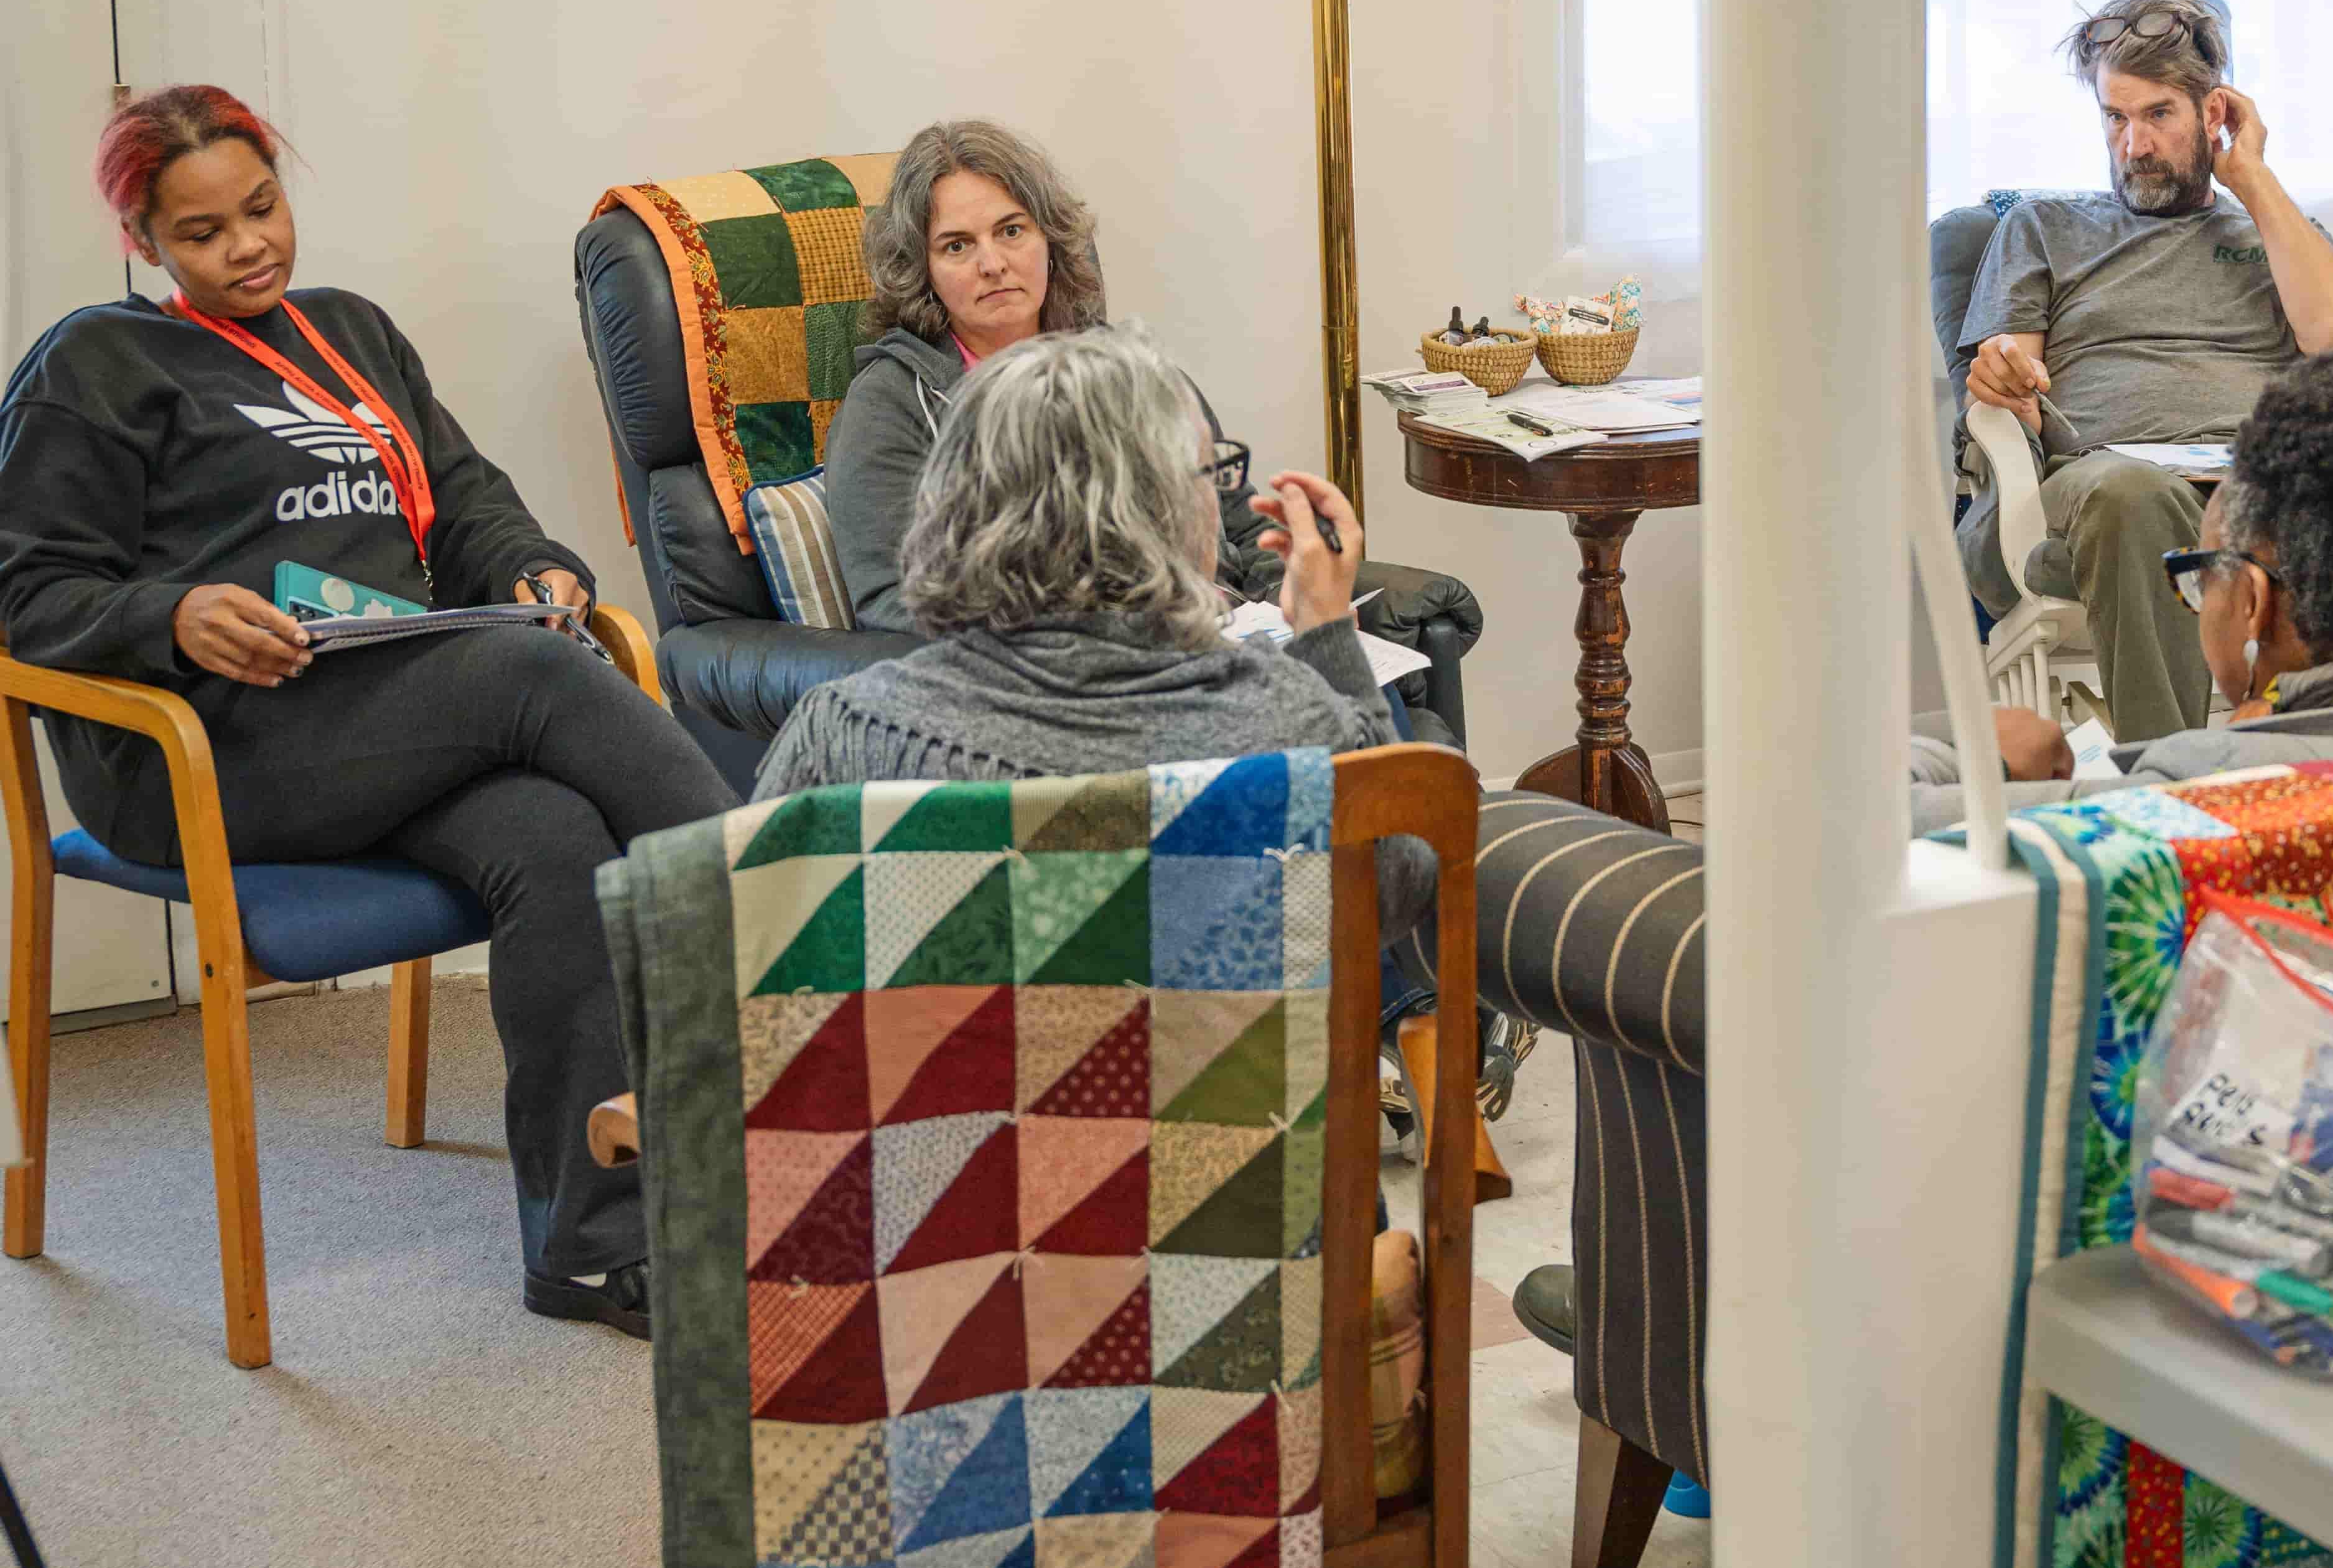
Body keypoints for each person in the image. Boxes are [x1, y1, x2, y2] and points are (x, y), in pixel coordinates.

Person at [0, 83, 728, 1332]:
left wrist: (535, 566)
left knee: (555, 842)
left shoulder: (351, 333)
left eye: (263, 208)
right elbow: (25, 584)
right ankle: (797, 924)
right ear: (145, 244)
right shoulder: (96, 364)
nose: (249, 247)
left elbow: (465, 502)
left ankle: (585, 1245)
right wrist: (167, 614)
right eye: (203, 232)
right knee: (538, 675)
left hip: (395, 720)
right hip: (203, 753)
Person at [1956, 0, 2333, 743]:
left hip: (2256, 476)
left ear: (2213, 112)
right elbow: (2011, 377)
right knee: (2133, 494)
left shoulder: (2274, 232)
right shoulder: (2043, 227)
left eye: (2158, 114)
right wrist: (1995, 373)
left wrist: (2249, 178)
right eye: (2114, 117)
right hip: (2106, 478)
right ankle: (2167, 771)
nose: (2133, 144)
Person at [753, 331, 1407, 818]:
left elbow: (750, 950)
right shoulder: (1291, 723)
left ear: (958, 506)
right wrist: (1325, 632)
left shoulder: (844, 737)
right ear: (1158, 509)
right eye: (1209, 475)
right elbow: (1400, 887)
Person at [1915, 351, 2333, 815]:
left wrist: (1982, 749)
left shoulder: (2195, 780)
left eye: (2198, 575)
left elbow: (1880, 828)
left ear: (2251, 600)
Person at [822, 118, 1308, 632]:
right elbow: (890, 603)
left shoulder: (1130, 367)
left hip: (1221, 636)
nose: (992, 264)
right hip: (1058, 675)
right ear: (922, 269)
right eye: (957, 246)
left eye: (1011, 231)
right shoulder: (889, 401)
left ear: (1049, 239)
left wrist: (1296, 599)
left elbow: (1242, 523)